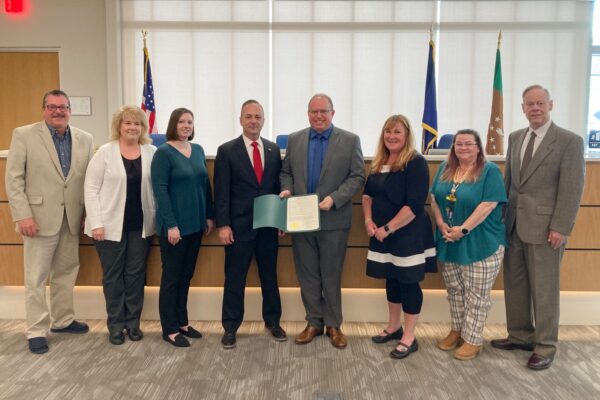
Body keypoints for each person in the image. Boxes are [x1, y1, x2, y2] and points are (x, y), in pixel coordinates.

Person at [491, 85, 585, 370]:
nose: (535, 108)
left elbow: (572, 187)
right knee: (515, 283)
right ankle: (520, 334)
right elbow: (510, 181)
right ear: (522, 108)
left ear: (550, 105)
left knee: (544, 288)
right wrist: (502, 218)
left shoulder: (569, 141)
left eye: (540, 103)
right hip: (515, 224)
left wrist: (561, 226)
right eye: (529, 104)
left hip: (547, 229)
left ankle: (545, 344)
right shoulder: (516, 137)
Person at [5, 89, 94, 354]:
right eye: (52, 107)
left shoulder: (85, 138)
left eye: (63, 107)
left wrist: (87, 214)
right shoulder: (24, 135)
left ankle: (63, 320)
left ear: (70, 110)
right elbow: (14, 179)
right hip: (38, 219)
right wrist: (23, 215)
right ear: (43, 109)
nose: (58, 111)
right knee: (36, 277)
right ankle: (35, 330)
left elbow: (87, 181)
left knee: (66, 273)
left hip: (72, 218)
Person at [280, 93, 365, 349]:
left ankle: (334, 324)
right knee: (307, 274)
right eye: (313, 111)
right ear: (308, 113)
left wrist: (334, 198)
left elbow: (357, 176)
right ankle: (314, 322)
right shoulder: (295, 140)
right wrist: (287, 189)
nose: (318, 116)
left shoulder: (350, 141)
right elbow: (286, 173)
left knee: (331, 274)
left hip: (333, 219)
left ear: (332, 113)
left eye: (323, 111)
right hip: (301, 220)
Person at [363, 115, 436, 360]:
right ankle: (394, 327)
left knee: (408, 282)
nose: (391, 137)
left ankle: (409, 336)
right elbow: (367, 196)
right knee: (391, 279)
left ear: (406, 136)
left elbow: (414, 205)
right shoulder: (379, 162)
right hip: (382, 233)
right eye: (388, 132)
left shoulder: (415, 162)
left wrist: (388, 228)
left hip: (407, 234)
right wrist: (368, 220)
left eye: (397, 133)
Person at [214, 100, 286, 349]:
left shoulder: (273, 150)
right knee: (235, 278)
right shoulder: (226, 151)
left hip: (267, 225)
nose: (253, 120)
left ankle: (273, 322)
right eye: (248, 116)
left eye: (257, 117)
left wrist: (280, 219)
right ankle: (231, 327)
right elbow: (221, 192)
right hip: (238, 226)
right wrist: (223, 225)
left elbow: (277, 189)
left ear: (263, 121)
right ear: (241, 120)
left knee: (270, 276)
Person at [430, 129, 507, 360]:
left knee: (476, 295)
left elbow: (488, 205)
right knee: (455, 291)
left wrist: (463, 230)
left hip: (480, 241)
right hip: (449, 240)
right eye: (458, 144)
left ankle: (473, 339)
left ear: (478, 146)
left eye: (468, 144)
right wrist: (441, 222)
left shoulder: (489, 171)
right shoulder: (445, 168)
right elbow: (434, 198)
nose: (463, 148)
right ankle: (457, 331)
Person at [84, 106, 156, 345]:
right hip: (107, 226)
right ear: (119, 126)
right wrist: (96, 222)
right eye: (127, 123)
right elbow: (91, 189)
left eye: (137, 124)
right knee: (113, 277)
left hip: (140, 226)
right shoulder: (105, 152)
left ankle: (132, 323)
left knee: (135, 275)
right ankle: (115, 325)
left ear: (143, 128)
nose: (132, 127)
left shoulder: (151, 152)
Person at [151, 107, 215, 348]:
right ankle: (168, 328)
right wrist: (171, 225)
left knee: (186, 275)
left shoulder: (197, 150)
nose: (186, 125)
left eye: (189, 121)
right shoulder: (163, 153)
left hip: (196, 225)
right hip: (174, 228)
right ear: (173, 125)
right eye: (181, 122)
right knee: (171, 278)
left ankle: (182, 322)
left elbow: (205, 185)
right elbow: (160, 191)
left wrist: (209, 216)